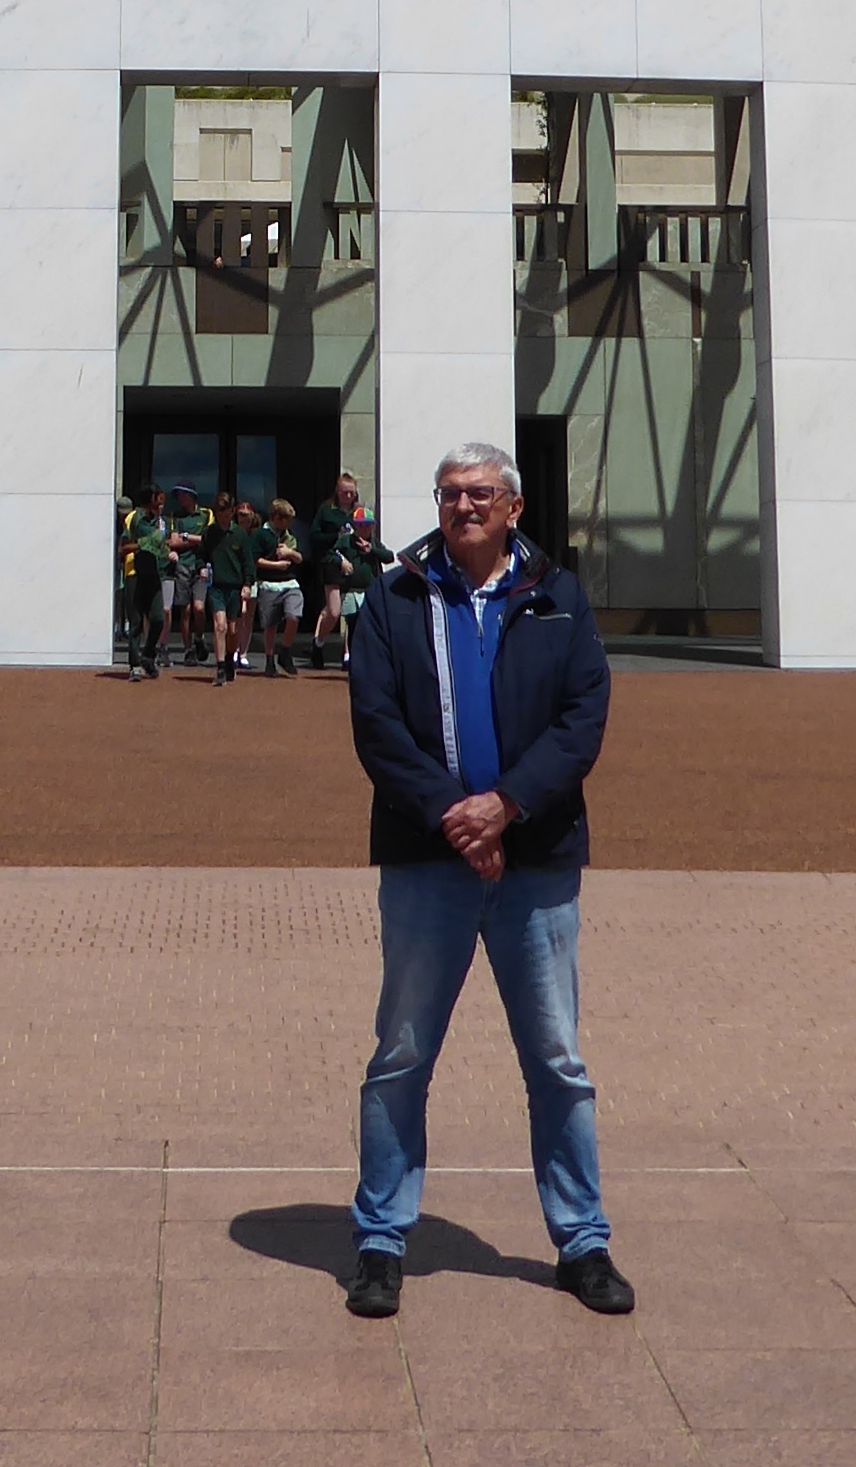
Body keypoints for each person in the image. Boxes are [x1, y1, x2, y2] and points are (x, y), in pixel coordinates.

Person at [343, 440, 630, 1322]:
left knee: (557, 1060)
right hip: (430, 861)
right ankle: (382, 1239)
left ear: (514, 506)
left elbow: (583, 719)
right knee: (401, 1055)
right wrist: (456, 818)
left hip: (535, 862)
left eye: (480, 493)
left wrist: (505, 806)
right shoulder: (392, 598)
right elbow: (377, 724)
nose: (463, 505)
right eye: (449, 493)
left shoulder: (558, 597)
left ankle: (582, 1240)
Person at [317, 501, 385, 673]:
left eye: (368, 525)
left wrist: (372, 550)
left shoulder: (374, 543)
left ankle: (363, 660)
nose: (365, 529)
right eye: (361, 526)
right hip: (351, 591)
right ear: (355, 526)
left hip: (369, 590)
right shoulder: (346, 541)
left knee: (368, 625)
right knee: (353, 624)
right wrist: (342, 561)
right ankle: (352, 659)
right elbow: (331, 555)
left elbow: (389, 556)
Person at [309, 472, 363, 670]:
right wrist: (335, 535)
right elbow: (314, 537)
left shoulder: (359, 513)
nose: (348, 496)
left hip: (354, 563)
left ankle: (348, 655)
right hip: (331, 563)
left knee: (352, 612)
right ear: (337, 492)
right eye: (344, 493)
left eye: (351, 493)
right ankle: (318, 644)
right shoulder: (327, 510)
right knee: (333, 611)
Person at [205, 495, 258, 686]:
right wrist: (201, 568)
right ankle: (219, 667)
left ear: (232, 512)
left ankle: (229, 658)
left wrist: (247, 584)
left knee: (233, 629)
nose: (222, 517)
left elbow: (248, 563)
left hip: (235, 587)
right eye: (219, 513)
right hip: (216, 586)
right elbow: (201, 556)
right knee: (220, 626)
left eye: (225, 512)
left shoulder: (240, 535)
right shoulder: (209, 533)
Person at [254, 497, 305, 677]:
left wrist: (289, 553)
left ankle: (285, 651)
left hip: (289, 583)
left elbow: (299, 558)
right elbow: (256, 560)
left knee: (293, 616)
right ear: (276, 518)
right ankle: (269, 660)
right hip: (269, 584)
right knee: (270, 625)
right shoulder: (261, 535)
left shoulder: (289, 536)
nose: (288, 524)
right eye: (286, 520)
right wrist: (276, 565)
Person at [125, 488, 170, 680]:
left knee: (158, 618)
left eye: (163, 503)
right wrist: (150, 542)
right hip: (134, 572)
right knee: (135, 621)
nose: (161, 506)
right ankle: (134, 664)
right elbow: (127, 545)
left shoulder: (161, 521)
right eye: (158, 502)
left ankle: (148, 656)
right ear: (150, 501)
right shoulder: (136, 518)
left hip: (153, 573)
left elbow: (164, 543)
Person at [169, 489, 213, 666]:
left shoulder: (206, 514)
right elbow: (173, 542)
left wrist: (186, 537)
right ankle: (188, 649)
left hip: (201, 565)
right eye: (178, 496)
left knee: (199, 607)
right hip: (183, 565)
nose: (180, 499)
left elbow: (208, 539)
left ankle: (199, 638)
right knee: (185, 610)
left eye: (183, 495)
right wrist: (196, 539)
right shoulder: (176, 516)